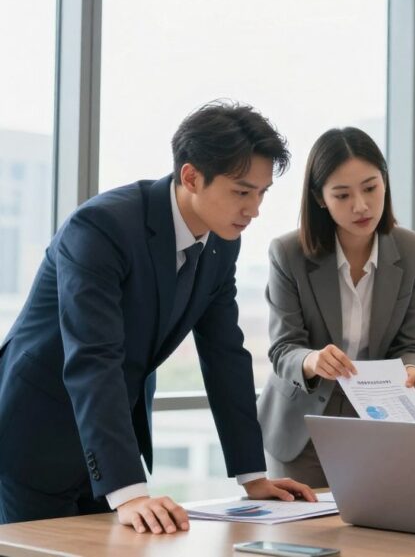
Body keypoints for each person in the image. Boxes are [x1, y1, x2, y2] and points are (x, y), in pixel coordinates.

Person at [0, 101, 316, 532]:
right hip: (34, 437)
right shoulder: (101, 227)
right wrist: (129, 491)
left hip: (106, 446)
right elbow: (95, 357)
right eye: (242, 191)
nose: (254, 209)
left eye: (262, 193)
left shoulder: (223, 243)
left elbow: (225, 354)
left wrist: (252, 475)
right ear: (191, 176)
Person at [257, 127, 415, 487]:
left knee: (373, 535)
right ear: (320, 198)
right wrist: (312, 360)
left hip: (377, 419)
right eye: (342, 195)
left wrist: (412, 370)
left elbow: (412, 344)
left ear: (385, 182)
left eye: (370, 187)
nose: (361, 206)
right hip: (300, 426)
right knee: (302, 536)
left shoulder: (414, 251)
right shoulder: (288, 253)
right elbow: (282, 348)